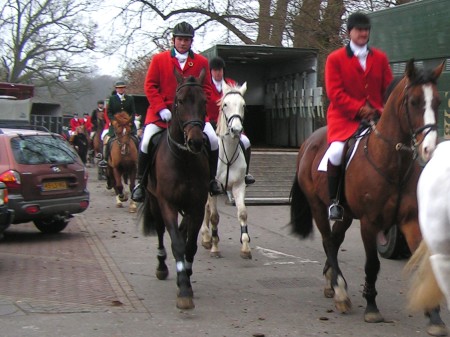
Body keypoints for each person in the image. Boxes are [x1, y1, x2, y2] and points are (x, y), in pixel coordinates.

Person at [131, 21, 221, 202]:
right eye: (180, 39)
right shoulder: (159, 59)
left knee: (213, 140)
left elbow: (208, 89)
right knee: (147, 141)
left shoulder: (202, 62)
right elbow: (150, 86)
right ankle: (140, 183)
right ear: (174, 40)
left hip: (192, 116)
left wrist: (199, 108)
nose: (183, 43)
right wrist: (161, 108)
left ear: (191, 42)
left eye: (187, 40)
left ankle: (212, 180)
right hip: (162, 114)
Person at [324, 12, 393, 221]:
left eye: (366, 30)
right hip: (345, 118)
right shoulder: (335, 59)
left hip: (377, 117)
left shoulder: (380, 58)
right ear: (349, 32)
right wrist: (359, 108)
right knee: (336, 152)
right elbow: (334, 93)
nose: (363, 33)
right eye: (359, 30)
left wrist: (382, 109)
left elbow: (388, 88)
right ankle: (335, 202)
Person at [207, 56, 255, 185]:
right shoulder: (206, 86)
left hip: (231, 125)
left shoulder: (231, 84)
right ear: (210, 71)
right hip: (210, 123)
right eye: (215, 70)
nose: (218, 73)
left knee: (246, 141)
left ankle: (245, 174)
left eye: (220, 70)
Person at [98, 81, 138, 167]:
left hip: (128, 125)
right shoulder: (112, 99)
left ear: (124, 89)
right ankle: (105, 159)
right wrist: (113, 121)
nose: (121, 89)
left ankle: (138, 159)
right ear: (116, 89)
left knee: (137, 139)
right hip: (116, 125)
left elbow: (133, 112)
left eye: (122, 88)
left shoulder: (130, 98)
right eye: (119, 88)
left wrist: (130, 122)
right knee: (107, 140)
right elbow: (109, 112)